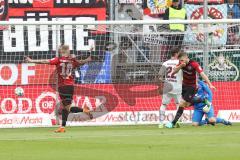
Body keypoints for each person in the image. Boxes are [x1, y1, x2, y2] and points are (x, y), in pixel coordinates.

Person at [25, 45, 93, 133]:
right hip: (70, 86)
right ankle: (62, 127)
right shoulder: (72, 60)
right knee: (65, 107)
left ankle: (84, 110)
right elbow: (83, 62)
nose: (70, 51)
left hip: (63, 87)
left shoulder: (58, 59)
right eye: (69, 50)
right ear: (67, 51)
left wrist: (31, 60)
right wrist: (89, 53)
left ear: (61, 52)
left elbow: (45, 61)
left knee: (68, 107)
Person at [165, 51, 216, 128]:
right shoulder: (181, 63)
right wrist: (180, 66)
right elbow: (173, 73)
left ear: (186, 57)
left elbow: (202, 74)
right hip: (184, 86)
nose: (181, 61)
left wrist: (210, 84)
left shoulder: (194, 64)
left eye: (182, 60)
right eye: (180, 60)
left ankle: (173, 123)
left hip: (192, 87)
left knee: (182, 103)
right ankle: (202, 100)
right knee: (187, 104)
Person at [158, 47, 182, 128]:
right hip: (178, 88)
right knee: (178, 104)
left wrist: (163, 83)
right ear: (176, 54)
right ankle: (177, 121)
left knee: (164, 105)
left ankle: (161, 123)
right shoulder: (180, 63)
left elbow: (160, 75)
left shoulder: (165, 63)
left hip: (167, 88)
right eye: (179, 53)